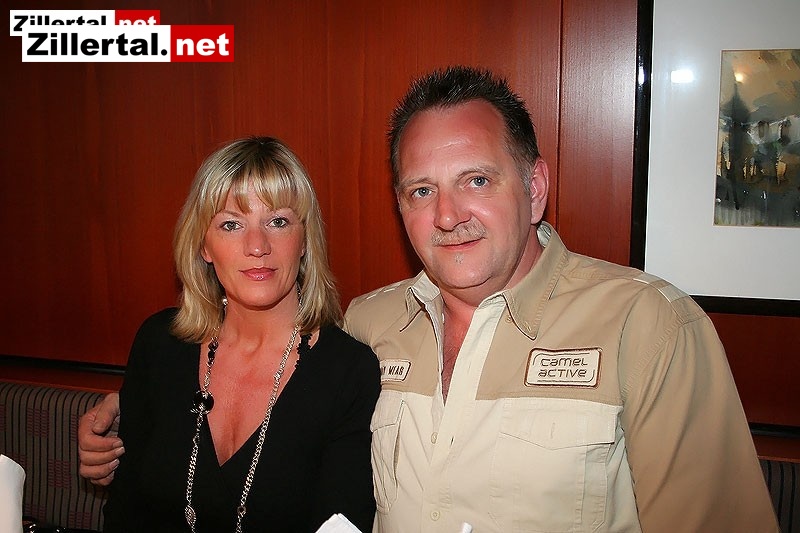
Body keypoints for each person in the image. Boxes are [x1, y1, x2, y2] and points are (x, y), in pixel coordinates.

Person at [80, 68, 779, 532]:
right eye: (422, 190)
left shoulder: (647, 325)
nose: (448, 216)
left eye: (476, 180)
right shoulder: (369, 326)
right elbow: (271, 389)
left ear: (535, 187)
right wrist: (129, 408)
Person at [93, 137, 380, 532]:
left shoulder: (350, 372)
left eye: (278, 222)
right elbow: (125, 512)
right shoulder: (159, 345)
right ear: (204, 246)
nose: (257, 246)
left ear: (304, 241)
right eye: (231, 224)